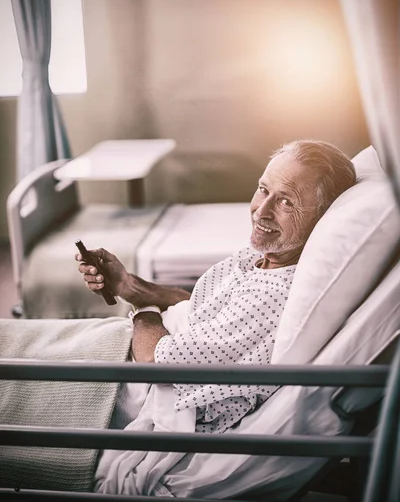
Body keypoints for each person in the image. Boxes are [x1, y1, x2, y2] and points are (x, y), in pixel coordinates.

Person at [76, 139, 356, 434]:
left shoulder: (271, 300)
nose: (261, 212)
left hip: (129, 389)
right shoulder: (265, 257)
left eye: (287, 202)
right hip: (130, 343)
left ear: (324, 219)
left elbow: (154, 360)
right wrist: (129, 285)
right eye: (263, 190)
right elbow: (208, 311)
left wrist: (144, 307)